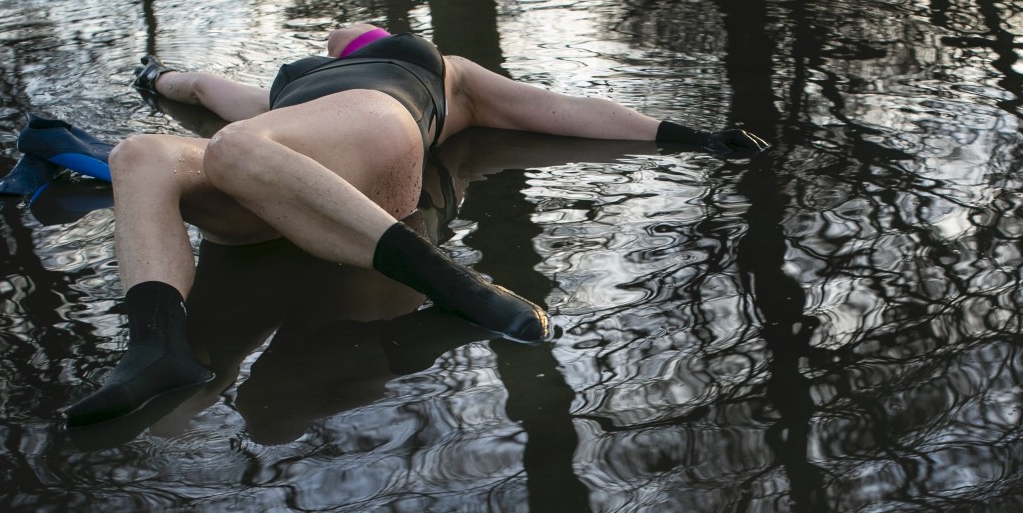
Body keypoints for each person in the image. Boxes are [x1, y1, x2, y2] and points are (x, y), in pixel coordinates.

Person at [65, 23, 769, 429]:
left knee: (237, 147)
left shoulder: (448, 76)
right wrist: (155, 78)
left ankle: (457, 287)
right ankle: (158, 350)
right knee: (143, 154)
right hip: (275, 183)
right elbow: (201, 89)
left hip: (377, 139)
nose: (346, 31)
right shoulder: (280, 97)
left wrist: (692, 136)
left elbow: (556, 108)